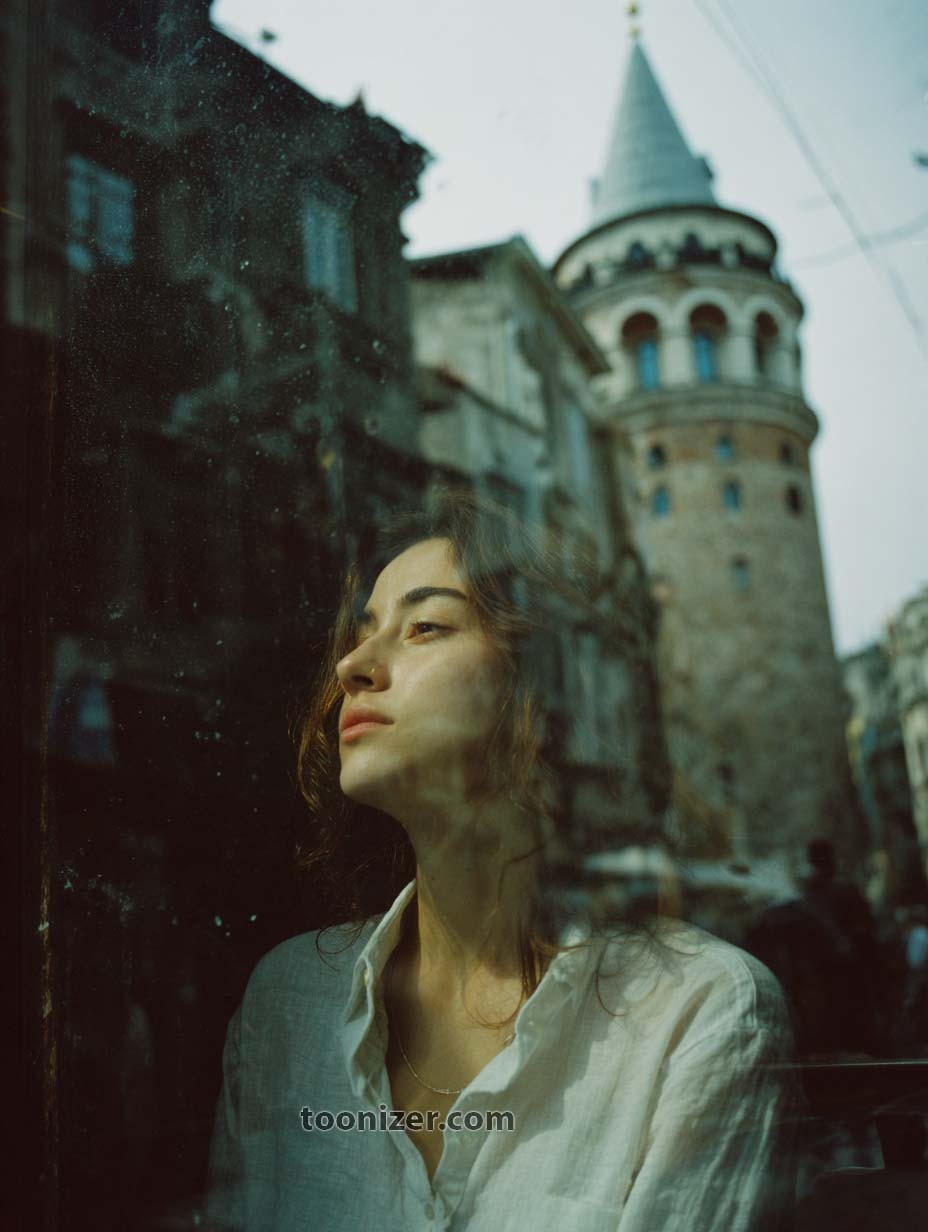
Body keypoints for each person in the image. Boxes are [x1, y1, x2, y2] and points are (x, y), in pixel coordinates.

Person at [204, 490, 799, 1232]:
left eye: (424, 626)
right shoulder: (286, 1008)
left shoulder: (698, 1014)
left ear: (542, 687)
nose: (355, 664)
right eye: (361, 633)